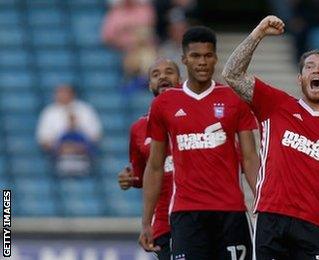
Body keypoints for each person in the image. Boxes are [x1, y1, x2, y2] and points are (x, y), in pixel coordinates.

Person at [222, 15, 319, 259]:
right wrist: (258, 33)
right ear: (299, 78)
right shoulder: (276, 103)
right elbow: (232, 74)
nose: (316, 70)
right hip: (272, 217)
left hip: (315, 225)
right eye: (309, 66)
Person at [139, 27, 260, 260]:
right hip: (186, 214)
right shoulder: (164, 104)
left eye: (207, 55)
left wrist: (262, 202)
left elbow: (250, 158)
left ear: (215, 58)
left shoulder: (234, 99)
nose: (202, 62)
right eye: (195, 56)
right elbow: (154, 166)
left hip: (231, 212)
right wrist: (147, 222)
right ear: (184, 59)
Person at [117, 58, 180, 259]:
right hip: (164, 223)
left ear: (180, 78)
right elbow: (143, 174)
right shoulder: (138, 129)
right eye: (155, 74)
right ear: (150, 84)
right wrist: (131, 179)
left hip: (203, 215)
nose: (163, 76)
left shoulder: (199, 116)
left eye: (169, 72)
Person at [36, 84, 102, 153]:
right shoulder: (49, 112)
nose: (61, 95)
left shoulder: (85, 110)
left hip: (84, 155)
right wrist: (61, 147)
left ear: (72, 94)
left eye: (64, 93)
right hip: (57, 156)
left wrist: (78, 147)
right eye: (59, 93)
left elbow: (96, 134)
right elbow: (43, 138)